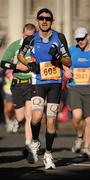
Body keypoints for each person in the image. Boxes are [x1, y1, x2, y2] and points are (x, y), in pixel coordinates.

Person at [17, 8, 71, 169]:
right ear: (38, 21)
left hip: (55, 82)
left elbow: (68, 62)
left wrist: (58, 57)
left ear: (52, 21)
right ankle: (34, 142)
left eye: (47, 18)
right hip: (38, 81)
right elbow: (20, 55)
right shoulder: (31, 39)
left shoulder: (59, 37)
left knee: (52, 120)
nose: (44, 21)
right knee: (36, 117)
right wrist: (28, 64)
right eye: (41, 18)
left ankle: (48, 153)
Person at [0, 23, 38, 158]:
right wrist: (17, 66)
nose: (29, 39)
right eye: (27, 36)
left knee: (29, 116)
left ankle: (28, 145)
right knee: (21, 116)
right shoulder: (15, 46)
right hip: (16, 84)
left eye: (32, 37)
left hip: (31, 83)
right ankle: (16, 121)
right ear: (23, 34)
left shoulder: (37, 46)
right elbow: (3, 63)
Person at [67, 27, 90, 157]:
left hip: (89, 88)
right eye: (78, 39)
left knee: (89, 120)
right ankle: (79, 136)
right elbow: (63, 62)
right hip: (74, 87)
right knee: (76, 117)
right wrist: (66, 70)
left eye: (82, 38)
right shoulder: (72, 50)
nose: (80, 41)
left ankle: (86, 147)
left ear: (88, 36)